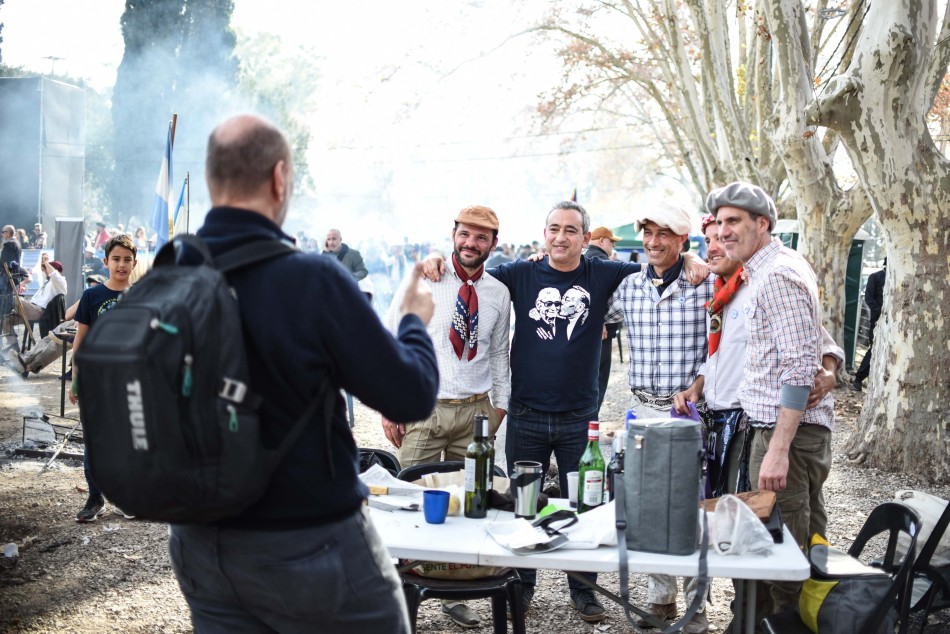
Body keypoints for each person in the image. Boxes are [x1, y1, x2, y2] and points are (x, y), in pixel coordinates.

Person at [166, 114, 438, 634]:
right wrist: (412, 320)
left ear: (211, 181)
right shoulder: (312, 278)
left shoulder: (170, 273)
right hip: (307, 541)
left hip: (199, 542)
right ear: (279, 178)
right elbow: (409, 397)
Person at [423, 200, 707, 623]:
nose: (560, 237)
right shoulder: (519, 273)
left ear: (586, 239)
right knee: (523, 505)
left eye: (570, 230)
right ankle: (520, 587)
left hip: (581, 417)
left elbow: (657, 263)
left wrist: (688, 255)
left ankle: (585, 590)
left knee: (585, 505)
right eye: (553, 228)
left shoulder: (606, 273)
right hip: (526, 412)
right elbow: (471, 271)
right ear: (543, 233)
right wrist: (435, 259)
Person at [707, 181, 835, 619]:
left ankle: (785, 626)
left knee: (786, 552)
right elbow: (814, 342)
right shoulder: (759, 269)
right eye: (719, 222)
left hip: (787, 437)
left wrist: (778, 450)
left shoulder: (778, 272)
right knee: (762, 543)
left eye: (734, 222)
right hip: (763, 428)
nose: (723, 231)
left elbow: (800, 368)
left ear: (762, 224)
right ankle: (753, 624)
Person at [382, 204, 511, 629]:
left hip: (477, 410)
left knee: (473, 504)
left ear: (493, 244)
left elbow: (497, 353)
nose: (471, 244)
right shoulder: (424, 276)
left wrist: (500, 406)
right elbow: (393, 338)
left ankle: (459, 591)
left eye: (481, 237)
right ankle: (399, 593)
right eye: (465, 234)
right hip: (425, 406)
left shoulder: (498, 293)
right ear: (452, 234)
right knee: (407, 503)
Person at [604, 204, 713, 633]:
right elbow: (591, 304)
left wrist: (699, 387)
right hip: (642, 409)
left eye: (664, 234)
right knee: (648, 504)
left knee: (690, 507)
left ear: (683, 241)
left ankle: (696, 603)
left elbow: (721, 350)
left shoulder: (706, 285)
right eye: (648, 233)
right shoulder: (629, 286)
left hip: (687, 409)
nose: (654, 242)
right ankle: (660, 598)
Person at [69, 234, 138, 522]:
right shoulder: (92, 296)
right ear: (106, 261)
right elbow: (79, 341)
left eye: (127, 260)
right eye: (116, 259)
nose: (121, 265)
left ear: (134, 263)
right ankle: (95, 497)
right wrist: (75, 378)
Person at [585, 226, 622, 416]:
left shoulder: (582, 258)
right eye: (611, 241)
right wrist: (598, 321)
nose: (613, 245)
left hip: (587, 332)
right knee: (597, 381)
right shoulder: (601, 261)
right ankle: (589, 425)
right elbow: (593, 293)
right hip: (600, 333)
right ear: (601, 241)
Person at [852, 258, 885, 392]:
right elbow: (869, 298)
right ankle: (859, 379)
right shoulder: (875, 277)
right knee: (875, 349)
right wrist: (879, 313)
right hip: (878, 320)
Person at [18, 257, 66, 323]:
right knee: (6, 319)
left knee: (14, 299)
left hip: (39, 311)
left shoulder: (60, 282)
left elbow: (55, 275)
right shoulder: (48, 282)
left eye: (46, 268)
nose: (44, 271)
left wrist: (46, 262)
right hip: (33, 308)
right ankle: (13, 334)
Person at [1, 224, 23, 347]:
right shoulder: (17, 243)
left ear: (9, 233)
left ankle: (11, 345)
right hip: (10, 278)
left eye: (3, 232)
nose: (2, 234)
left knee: (4, 313)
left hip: (6, 279)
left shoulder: (9, 244)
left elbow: (3, 263)